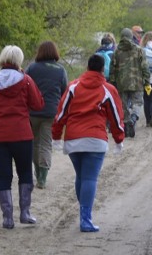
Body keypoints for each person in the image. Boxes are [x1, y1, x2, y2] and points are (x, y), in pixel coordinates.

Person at [52, 54, 126, 232]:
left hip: (73, 139)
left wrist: (55, 135)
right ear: (102, 69)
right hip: (95, 139)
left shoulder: (73, 86)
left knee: (81, 176)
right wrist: (119, 139)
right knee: (90, 178)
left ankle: (84, 213)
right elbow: (115, 117)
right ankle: (85, 220)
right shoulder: (107, 89)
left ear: (87, 67)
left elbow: (61, 113)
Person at [0, 45, 44, 229]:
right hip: (21, 133)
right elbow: (38, 104)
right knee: (24, 172)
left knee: (3, 174)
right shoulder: (26, 80)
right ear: (19, 60)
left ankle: (8, 217)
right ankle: (25, 213)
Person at [25, 41, 68, 189]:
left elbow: (25, 87)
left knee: (34, 143)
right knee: (45, 143)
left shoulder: (31, 68)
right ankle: (42, 177)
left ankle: (37, 172)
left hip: (32, 112)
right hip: (51, 112)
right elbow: (64, 92)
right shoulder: (60, 70)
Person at [111, 27, 150, 138]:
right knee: (137, 102)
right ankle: (133, 118)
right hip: (136, 82)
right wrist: (147, 81)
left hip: (121, 83)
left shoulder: (117, 51)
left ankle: (127, 122)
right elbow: (145, 67)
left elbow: (112, 69)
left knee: (123, 105)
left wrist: (113, 83)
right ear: (130, 37)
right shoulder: (139, 50)